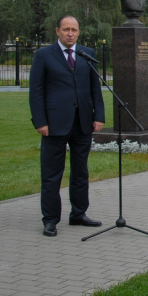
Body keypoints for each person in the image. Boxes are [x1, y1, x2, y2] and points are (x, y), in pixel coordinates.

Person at [29, 15, 105, 237]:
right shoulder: (44, 55)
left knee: (81, 172)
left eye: (74, 30)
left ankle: (78, 214)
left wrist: (98, 116)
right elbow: (36, 92)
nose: (70, 33)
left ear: (79, 32)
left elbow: (95, 88)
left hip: (82, 122)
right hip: (54, 124)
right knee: (52, 174)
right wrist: (40, 121)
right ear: (57, 31)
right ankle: (51, 219)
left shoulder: (87, 54)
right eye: (66, 29)